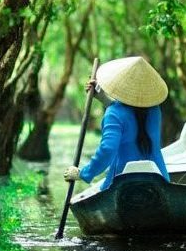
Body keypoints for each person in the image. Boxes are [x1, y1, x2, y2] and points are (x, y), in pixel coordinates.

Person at [63, 56, 169, 190]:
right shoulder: (155, 109)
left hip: (123, 185)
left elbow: (108, 149)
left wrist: (83, 173)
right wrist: (103, 99)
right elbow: (132, 114)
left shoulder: (114, 113)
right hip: (160, 181)